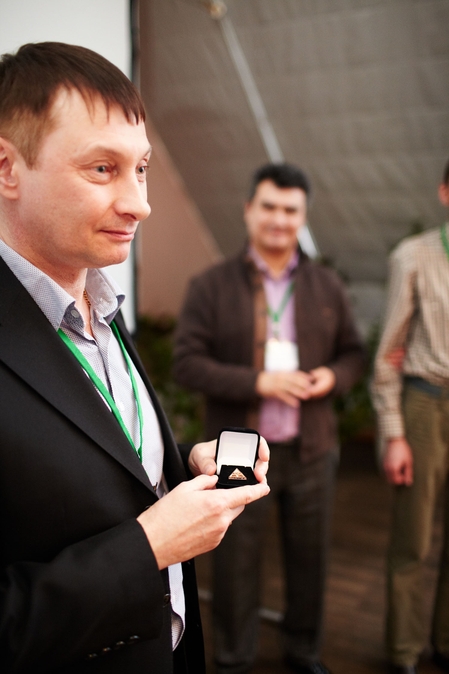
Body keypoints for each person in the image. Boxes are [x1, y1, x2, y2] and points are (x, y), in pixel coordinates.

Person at [0, 42, 270, 674]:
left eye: (141, 168)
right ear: (7, 168)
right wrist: (147, 546)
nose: (140, 203)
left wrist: (180, 469)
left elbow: (95, 458)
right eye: (103, 169)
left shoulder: (100, 304)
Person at [174, 162, 365, 674]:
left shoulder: (326, 284)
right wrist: (258, 381)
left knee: (310, 559)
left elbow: (354, 354)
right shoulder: (212, 284)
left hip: (311, 447)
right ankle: (233, 659)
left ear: (303, 216)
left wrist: (331, 377)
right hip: (238, 450)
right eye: (270, 207)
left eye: (290, 210)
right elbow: (186, 363)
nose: (280, 219)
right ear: (248, 210)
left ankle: (304, 653)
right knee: (234, 563)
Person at [372, 160, 449, 674]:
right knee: (413, 541)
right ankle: (402, 654)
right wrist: (394, 435)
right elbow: (387, 355)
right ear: (445, 192)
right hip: (427, 406)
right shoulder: (414, 256)